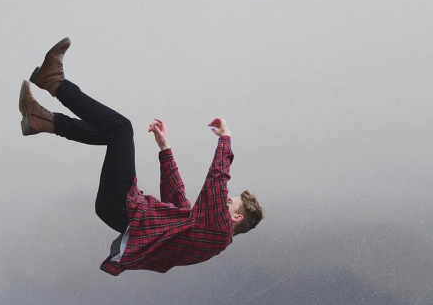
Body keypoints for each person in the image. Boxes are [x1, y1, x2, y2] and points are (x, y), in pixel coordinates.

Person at [19, 37, 264, 275]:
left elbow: (216, 182)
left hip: (125, 208)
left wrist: (225, 140)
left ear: (236, 217)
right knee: (112, 133)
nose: (224, 201)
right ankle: (42, 120)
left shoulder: (219, 231)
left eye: (229, 203)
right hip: (121, 211)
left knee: (121, 128)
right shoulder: (207, 234)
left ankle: (53, 82)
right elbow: (179, 205)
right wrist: (165, 150)